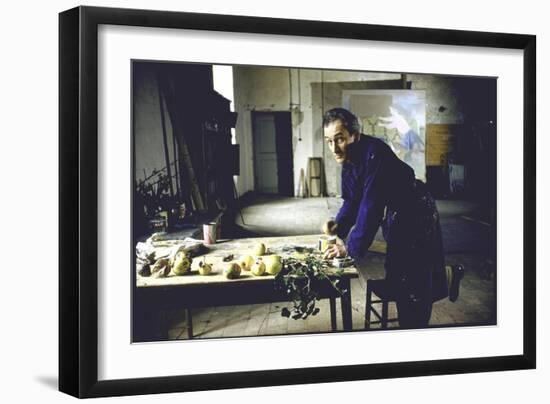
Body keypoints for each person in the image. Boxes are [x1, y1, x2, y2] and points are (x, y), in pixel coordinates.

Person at [321, 107, 453, 328]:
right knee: (397, 270)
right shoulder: (348, 159)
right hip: (397, 213)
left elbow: (370, 207)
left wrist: (350, 248)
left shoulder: (375, 154)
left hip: (417, 210)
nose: (334, 148)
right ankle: (440, 281)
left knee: (413, 279)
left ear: (355, 135)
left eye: (340, 139)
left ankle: (415, 329)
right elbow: (352, 200)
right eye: (329, 141)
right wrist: (338, 225)